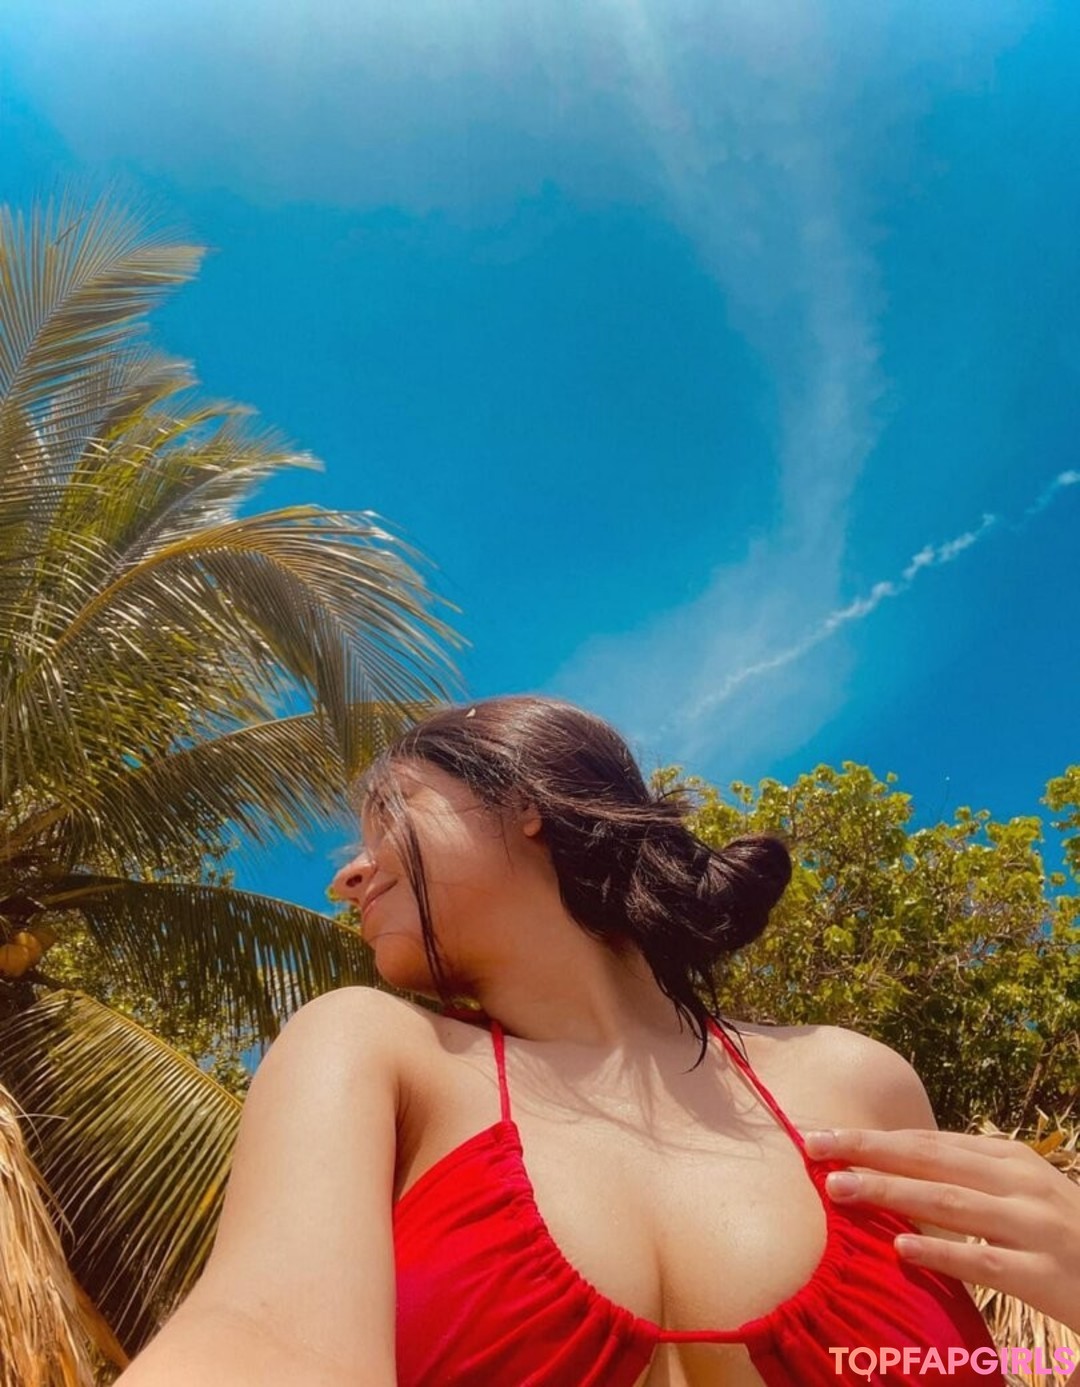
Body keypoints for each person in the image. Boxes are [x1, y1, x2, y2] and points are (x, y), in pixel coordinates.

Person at [117, 695, 1053, 1385]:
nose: (347, 878)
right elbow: (260, 1336)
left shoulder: (859, 1081)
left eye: (389, 815)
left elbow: (983, 1364)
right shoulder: (371, 1055)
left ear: (526, 800)